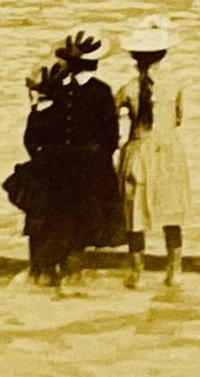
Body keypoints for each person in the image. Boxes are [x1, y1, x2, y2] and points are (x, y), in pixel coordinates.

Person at [116, 17, 191, 288]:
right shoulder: (175, 85)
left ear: (135, 57)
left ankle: (136, 272)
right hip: (168, 152)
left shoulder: (128, 89)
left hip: (139, 153)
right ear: (164, 55)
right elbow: (179, 119)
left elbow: (111, 115)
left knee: (135, 215)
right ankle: (175, 269)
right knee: (172, 212)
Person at [46, 29, 125, 286]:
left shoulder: (95, 91)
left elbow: (109, 138)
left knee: (76, 220)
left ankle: (72, 267)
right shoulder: (92, 90)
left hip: (85, 166)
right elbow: (111, 137)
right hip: (74, 165)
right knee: (73, 219)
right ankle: (70, 268)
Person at [16, 59, 68, 285]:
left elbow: (29, 143)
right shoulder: (62, 113)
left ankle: (37, 269)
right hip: (59, 175)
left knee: (36, 224)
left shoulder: (37, 115)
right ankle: (55, 267)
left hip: (39, 175)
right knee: (58, 222)